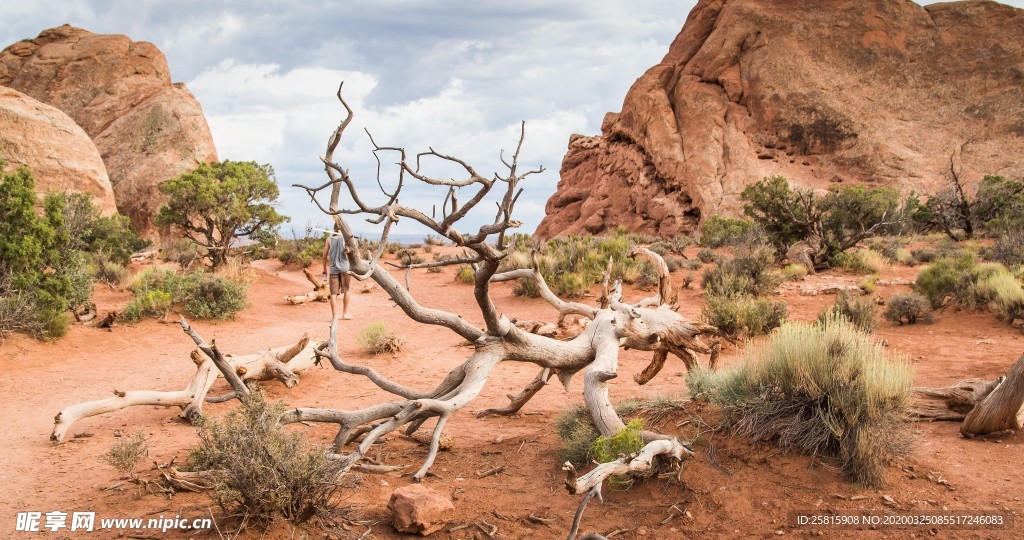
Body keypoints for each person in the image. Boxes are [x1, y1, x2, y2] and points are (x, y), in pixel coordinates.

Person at [322, 224, 352, 322]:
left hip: (333, 269)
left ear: (334, 228)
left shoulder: (328, 240)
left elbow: (324, 256)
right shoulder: (346, 239)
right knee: (346, 291)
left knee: (333, 294)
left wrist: (324, 269)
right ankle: (345, 314)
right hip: (345, 268)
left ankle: (334, 317)